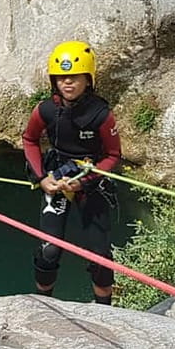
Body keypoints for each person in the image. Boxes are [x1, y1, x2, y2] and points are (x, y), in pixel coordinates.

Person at [22, 40, 121, 304]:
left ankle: (105, 310)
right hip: (56, 176)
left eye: (74, 77)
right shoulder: (46, 110)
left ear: (88, 80)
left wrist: (85, 181)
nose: (67, 82)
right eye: (61, 77)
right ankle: (44, 304)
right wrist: (42, 178)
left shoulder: (101, 114)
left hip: (90, 181)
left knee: (100, 256)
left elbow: (113, 156)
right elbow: (29, 140)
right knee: (49, 250)